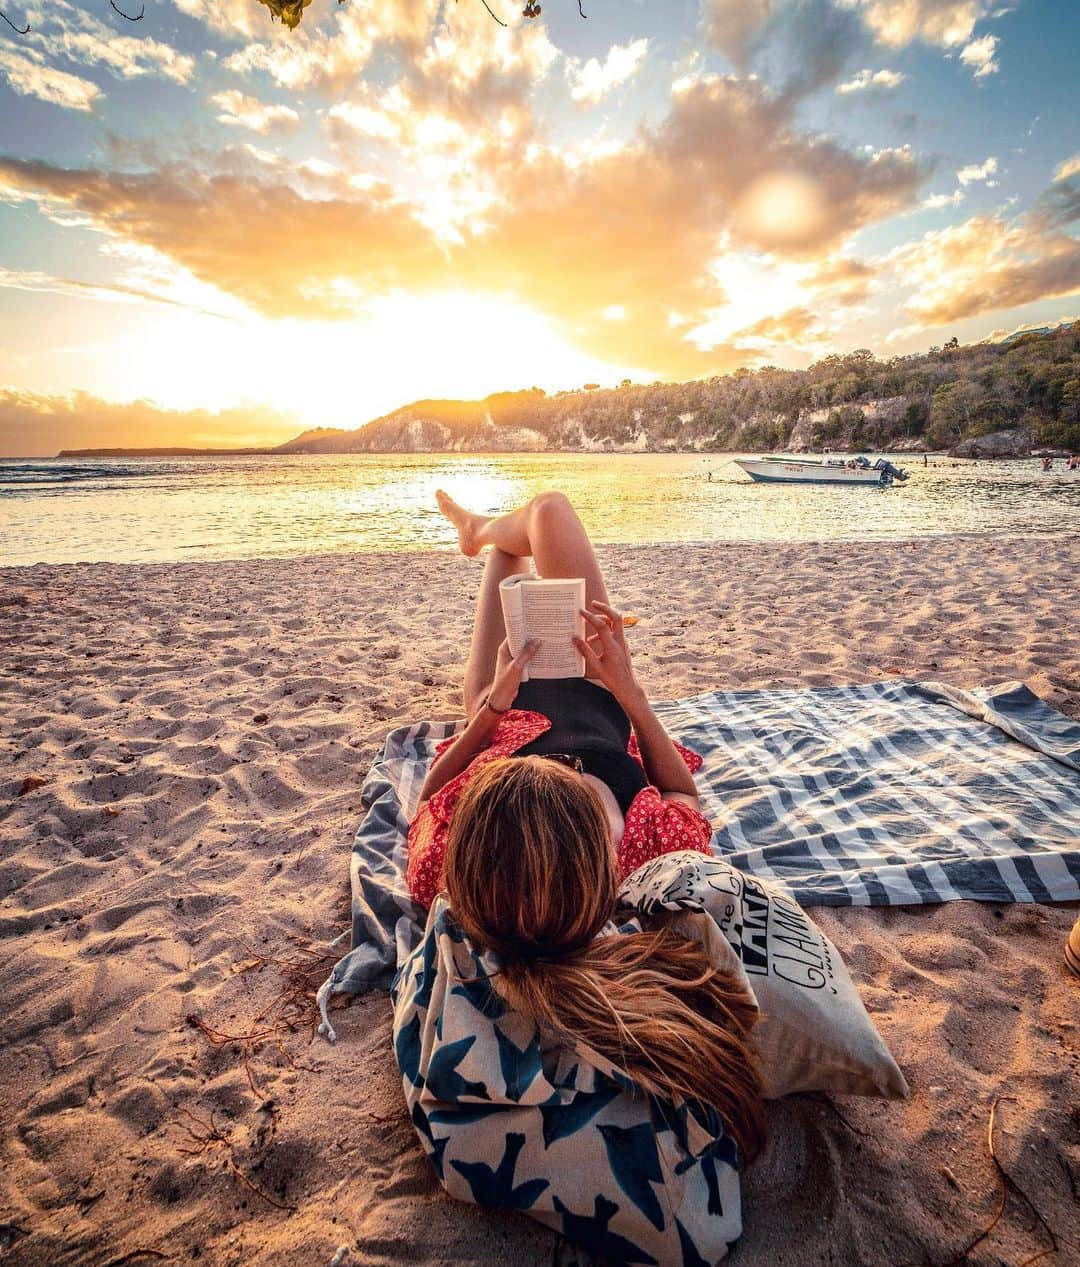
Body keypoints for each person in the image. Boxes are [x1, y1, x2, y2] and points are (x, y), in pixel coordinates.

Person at [409, 489, 718, 910]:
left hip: (503, 703)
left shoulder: (469, 865)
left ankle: (478, 530)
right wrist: (632, 694)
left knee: (506, 559)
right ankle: (479, 528)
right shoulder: (647, 848)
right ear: (605, 854)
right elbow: (683, 792)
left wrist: (492, 707)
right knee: (549, 509)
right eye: (580, 785)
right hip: (598, 686)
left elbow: (428, 800)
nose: (567, 766)